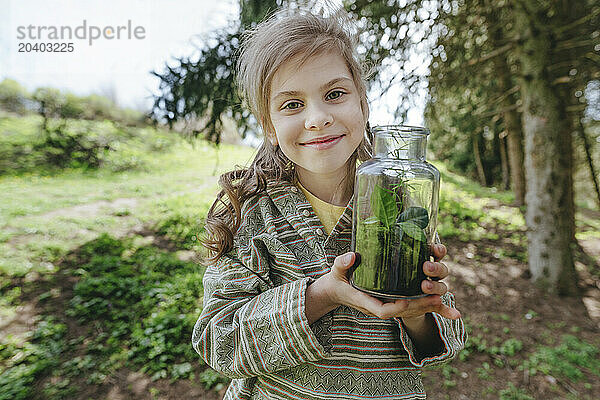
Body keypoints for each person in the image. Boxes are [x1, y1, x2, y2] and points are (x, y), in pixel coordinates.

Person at [193, 6, 466, 400]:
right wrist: (322, 293)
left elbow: (445, 342)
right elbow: (218, 342)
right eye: (291, 104)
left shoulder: (401, 207)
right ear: (269, 127)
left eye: (335, 94)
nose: (318, 118)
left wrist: (419, 314)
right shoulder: (250, 214)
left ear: (363, 105)